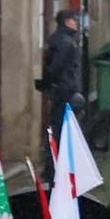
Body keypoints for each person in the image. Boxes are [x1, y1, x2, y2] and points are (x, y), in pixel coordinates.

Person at [39, 9, 82, 139]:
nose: (76, 23)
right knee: (60, 123)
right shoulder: (65, 41)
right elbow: (57, 65)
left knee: (59, 121)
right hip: (64, 88)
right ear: (67, 22)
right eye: (74, 20)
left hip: (61, 86)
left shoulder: (59, 39)